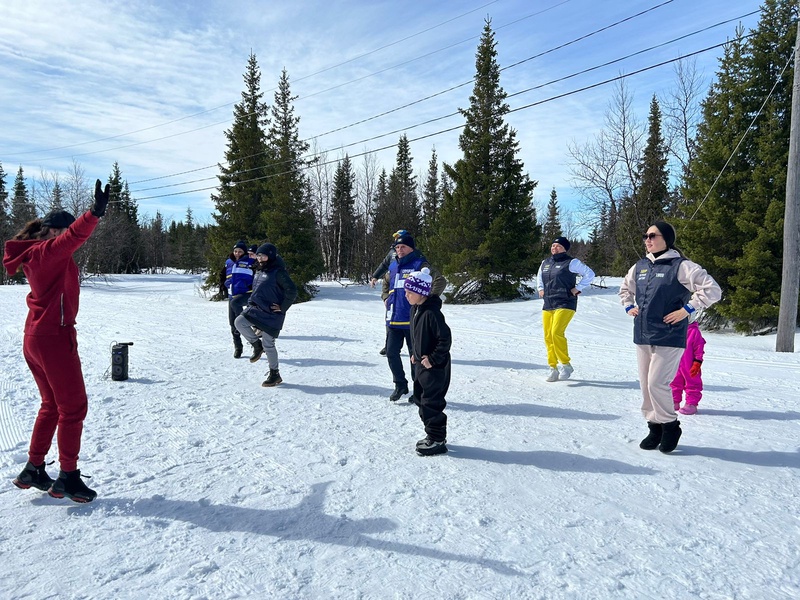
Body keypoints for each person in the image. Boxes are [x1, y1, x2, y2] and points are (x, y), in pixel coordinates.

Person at [3, 179, 110, 503]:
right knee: (74, 407)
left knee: (52, 405)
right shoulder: (49, 252)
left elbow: (71, 241)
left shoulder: (42, 254)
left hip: (37, 336)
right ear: (53, 233)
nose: (70, 242)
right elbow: (74, 236)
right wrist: (93, 213)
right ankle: (68, 477)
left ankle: (33, 469)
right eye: (64, 235)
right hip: (52, 338)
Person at [619, 221, 721, 454]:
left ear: (666, 239)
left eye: (652, 235)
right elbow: (625, 289)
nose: (647, 239)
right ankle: (654, 426)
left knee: (657, 383)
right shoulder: (640, 266)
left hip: (670, 335)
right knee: (646, 385)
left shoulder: (682, 266)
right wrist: (628, 306)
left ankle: (670, 426)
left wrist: (688, 309)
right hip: (643, 334)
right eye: (645, 235)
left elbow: (712, 289)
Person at [384, 233, 446, 402]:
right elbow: (386, 282)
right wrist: (385, 297)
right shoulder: (393, 266)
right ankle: (400, 385)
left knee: (416, 358)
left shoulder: (420, 264)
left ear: (411, 248)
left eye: (403, 247)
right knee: (391, 353)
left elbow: (440, 280)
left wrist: (427, 300)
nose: (399, 250)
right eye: (397, 247)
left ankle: (418, 391)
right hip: (394, 319)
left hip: (413, 320)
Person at [234, 243, 297, 387]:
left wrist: (282, 307)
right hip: (256, 309)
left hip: (273, 313)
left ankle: (274, 374)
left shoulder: (278, 272)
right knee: (239, 322)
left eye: (263, 255)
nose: (260, 258)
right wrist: (250, 302)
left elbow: (292, 291)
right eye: (259, 255)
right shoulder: (259, 270)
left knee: (269, 344)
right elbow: (256, 290)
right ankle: (257, 345)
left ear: (271, 256)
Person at [405, 268, 451, 456]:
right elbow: (418, 336)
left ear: (421, 293)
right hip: (421, 364)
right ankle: (432, 434)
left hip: (435, 367)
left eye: (410, 292)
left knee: (431, 402)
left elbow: (444, 340)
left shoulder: (432, 313)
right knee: (419, 398)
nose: (406, 295)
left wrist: (432, 358)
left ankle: (437, 439)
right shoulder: (416, 309)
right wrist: (416, 353)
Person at [537, 236, 595, 382]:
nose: (554, 248)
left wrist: (578, 288)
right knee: (548, 336)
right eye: (553, 245)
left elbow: (590, 274)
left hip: (565, 302)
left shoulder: (571, 262)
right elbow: (539, 277)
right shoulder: (545, 262)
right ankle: (553, 367)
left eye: (558, 246)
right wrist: (540, 288)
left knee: (556, 332)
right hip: (549, 302)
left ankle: (566, 364)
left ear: (564, 248)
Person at [370, 229, 408, 356]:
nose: (396, 239)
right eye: (395, 237)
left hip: (406, 293)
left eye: (399, 237)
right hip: (392, 292)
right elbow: (384, 265)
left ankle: (416, 348)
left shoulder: (410, 253)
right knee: (390, 319)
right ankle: (389, 346)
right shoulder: (392, 252)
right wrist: (375, 276)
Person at [223, 240, 255, 358]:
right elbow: (225, 275)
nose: (237, 253)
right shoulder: (229, 262)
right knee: (232, 324)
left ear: (244, 252)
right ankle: (238, 347)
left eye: (240, 251)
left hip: (246, 294)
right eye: (235, 251)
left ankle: (256, 345)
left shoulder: (250, 261)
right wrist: (225, 283)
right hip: (232, 295)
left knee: (242, 321)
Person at [670, 319, 706, 415]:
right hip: (676, 362)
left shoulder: (693, 331)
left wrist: (698, 361)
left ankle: (691, 404)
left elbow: (699, 347)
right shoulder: (674, 329)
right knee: (674, 381)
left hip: (690, 364)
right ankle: (674, 401)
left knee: (692, 382)